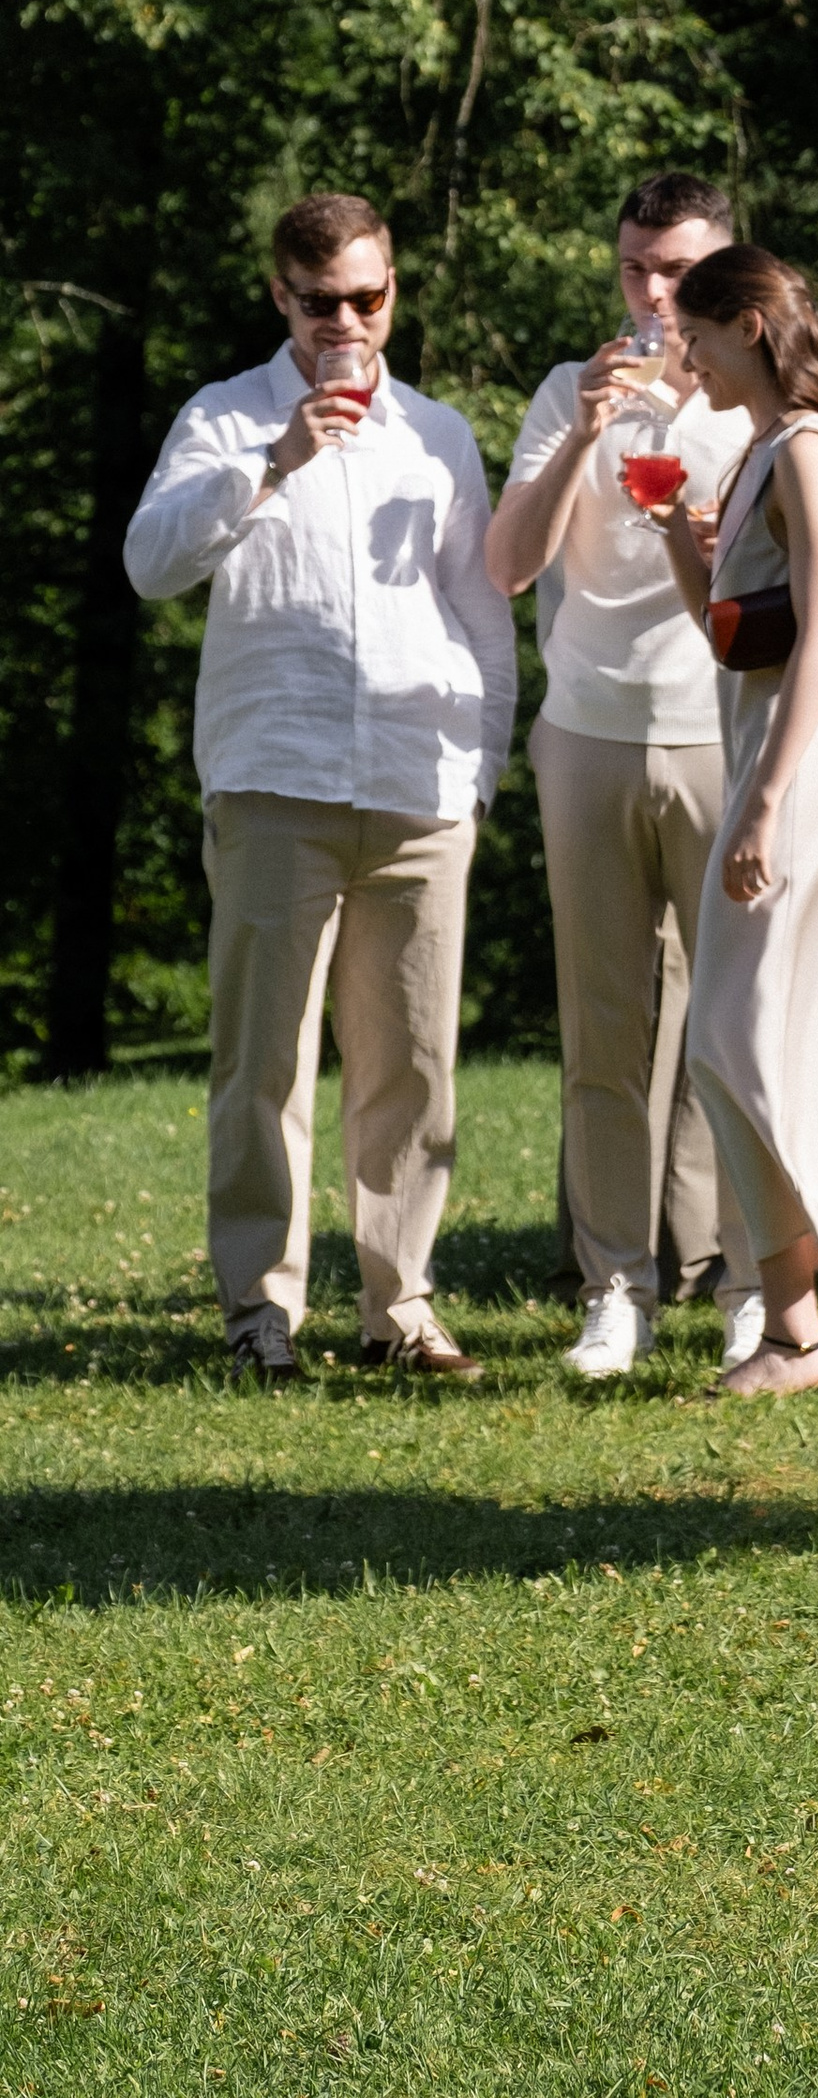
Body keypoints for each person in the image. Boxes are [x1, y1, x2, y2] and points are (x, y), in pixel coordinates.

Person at [124, 191, 516, 1387]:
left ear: (392, 288)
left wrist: (482, 771)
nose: (347, 322)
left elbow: (482, 614)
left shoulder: (438, 433)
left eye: (368, 296)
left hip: (417, 787)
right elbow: (151, 565)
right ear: (279, 297)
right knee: (264, 1065)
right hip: (274, 779)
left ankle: (401, 1309)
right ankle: (262, 1313)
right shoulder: (223, 416)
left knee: (411, 1065)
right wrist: (272, 460)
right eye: (320, 301)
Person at [484, 172, 761, 1379]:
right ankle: (616, 1288)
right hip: (588, 732)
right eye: (635, 270)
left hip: (721, 732)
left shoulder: (757, 402)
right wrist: (589, 433)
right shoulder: (567, 391)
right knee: (604, 1027)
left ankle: (756, 1283)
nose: (653, 296)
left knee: (741, 1022)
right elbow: (504, 566)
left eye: (678, 273)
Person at [644, 246, 818, 1398]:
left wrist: (767, 802)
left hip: (807, 766)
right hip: (769, 750)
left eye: (695, 332)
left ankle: (797, 1332)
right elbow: (739, 638)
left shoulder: (806, 448)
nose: (683, 354)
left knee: (735, 1038)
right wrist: (684, 557)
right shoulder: (755, 453)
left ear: (746, 324)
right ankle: (796, 1324)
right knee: (737, 1039)